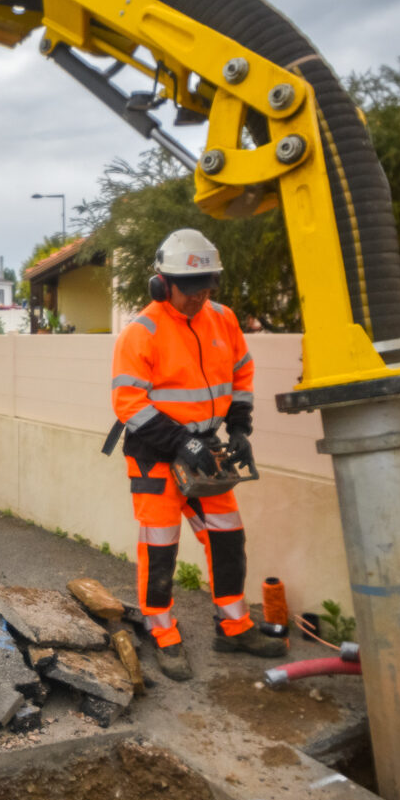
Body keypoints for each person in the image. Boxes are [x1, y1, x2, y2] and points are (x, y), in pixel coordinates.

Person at [106, 229, 285, 680]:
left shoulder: (221, 318)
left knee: (228, 539)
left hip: (207, 450)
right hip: (156, 453)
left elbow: (242, 371)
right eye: (189, 290)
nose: (198, 298)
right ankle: (163, 634)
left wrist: (240, 427)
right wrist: (184, 444)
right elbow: (129, 403)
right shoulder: (141, 331)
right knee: (160, 547)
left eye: (206, 288)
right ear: (162, 284)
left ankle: (234, 626)